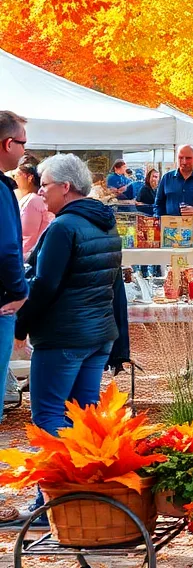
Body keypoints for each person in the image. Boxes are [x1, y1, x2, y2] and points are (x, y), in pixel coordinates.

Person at [20, 153, 130, 520]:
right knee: (84, 419)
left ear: (66, 187)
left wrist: (20, 323)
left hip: (64, 336)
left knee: (50, 417)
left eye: (45, 185)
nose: (40, 192)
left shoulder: (64, 227)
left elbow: (44, 284)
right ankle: (84, 496)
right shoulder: (105, 224)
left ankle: (50, 503)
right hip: (98, 335)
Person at [0, 114, 30, 449]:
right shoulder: (2, 189)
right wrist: (20, 291)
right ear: (9, 144)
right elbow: (8, 247)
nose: (24, 151)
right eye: (22, 143)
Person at [15, 158, 53, 258]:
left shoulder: (33, 200)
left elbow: (27, 237)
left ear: (30, 178)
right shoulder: (35, 199)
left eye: (18, 175)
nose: (15, 179)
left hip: (27, 256)